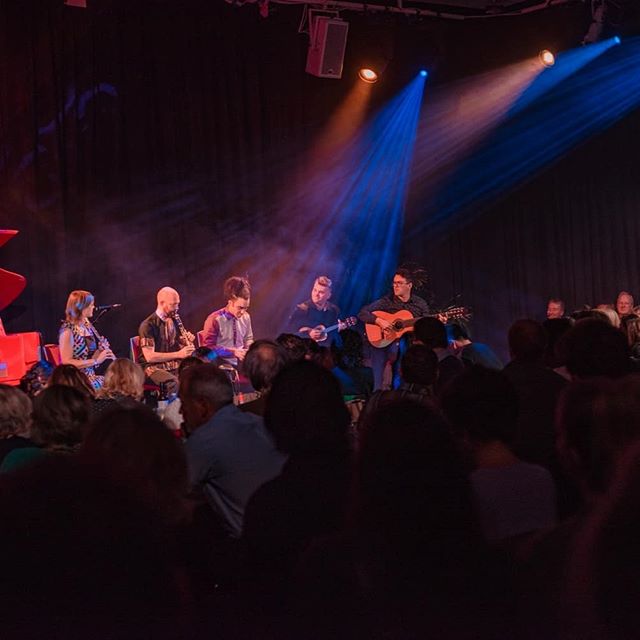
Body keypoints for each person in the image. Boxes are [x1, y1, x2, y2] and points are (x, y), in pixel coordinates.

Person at [180, 363, 285, 538]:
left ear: (203, 406)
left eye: (184, 403)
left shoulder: (206, 440)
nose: (181, 411)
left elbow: (167, 494)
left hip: (252, 548)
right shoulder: (259, 424)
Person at [358, 268, 432, 390]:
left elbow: (426, 324)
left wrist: (436, 320)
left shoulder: (420, 303)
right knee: (381, 381)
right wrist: (379, 321)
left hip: (410, 347)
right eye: (394, 283)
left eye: (399, 283)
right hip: (386, 346)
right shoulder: (386, 301)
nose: (395, 286)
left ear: (409, 285)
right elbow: (363, 313)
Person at [138, 286, 195, 397]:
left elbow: (174, 343)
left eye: (178, 304)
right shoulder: (148, 325)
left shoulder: (173, 319)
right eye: (173, 304)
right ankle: (173, 413)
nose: (177, 308)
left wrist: (184, 342)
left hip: (170, 364)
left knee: (196, 375)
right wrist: (179, 354)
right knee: (174, 383)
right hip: (151, 368)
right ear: (162, 303)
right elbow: (150, 357)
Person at [58, 290, 115, 391]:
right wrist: (96, 360)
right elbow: (66, 362)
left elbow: (90, 361)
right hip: (76, 380)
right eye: (91, 305)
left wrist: (100, 351)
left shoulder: (87, 327)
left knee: (116, 384)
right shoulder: (68, 330)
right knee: (109, 389)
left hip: (90, 377)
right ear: (81, 307)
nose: (93, 307)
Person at [201, 276, 254, 367]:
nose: (243, 312)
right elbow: (208, 350)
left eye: (246, 308)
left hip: (241, 363)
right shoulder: (215, 319)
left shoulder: (246, 317)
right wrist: (232, 352)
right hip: (220, 363)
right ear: (230, 302)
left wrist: (249, 349)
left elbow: (248, 338)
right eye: (240, 308)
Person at [286, 276, 344, 345]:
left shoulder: (334, 310)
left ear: (328, 295)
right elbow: (290, 332)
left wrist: (340, 330)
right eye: (314, 290)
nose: (316, 294)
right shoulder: (301, 309)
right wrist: (308, 331)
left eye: (321, 292)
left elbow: (333, 336)